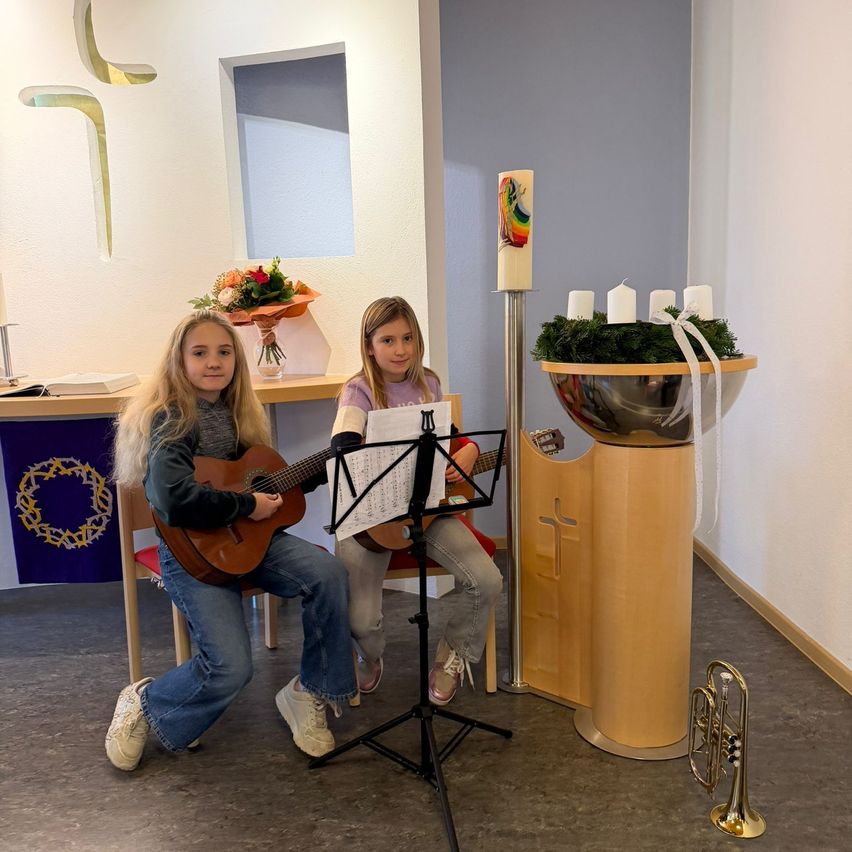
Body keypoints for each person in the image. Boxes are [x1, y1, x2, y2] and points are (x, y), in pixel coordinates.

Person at [105, 309, 355, 770]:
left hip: (246, 543)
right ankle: (146, 702)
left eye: (223, 352)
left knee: (329, 572)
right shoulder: (170, 418)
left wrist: (319, 469)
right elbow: (173, 497)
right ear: (179, 361)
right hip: (192, 553)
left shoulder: (237, 413)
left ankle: (308, 692)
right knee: (232, 668)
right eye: (200, 353)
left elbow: (258, 482)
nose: (214, 362)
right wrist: (246, 507)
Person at [331, 296, 502, 705]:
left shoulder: (429, 382)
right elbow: (343, 444)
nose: (401, 349)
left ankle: (451, 656)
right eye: (388, 340)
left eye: (408, 338)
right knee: (361, 620)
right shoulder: (357, 391)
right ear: (369, 345)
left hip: (426, 510)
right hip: (368, 520)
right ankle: (369, 657)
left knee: (487, 580)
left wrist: (471, 450)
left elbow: (451, 436)